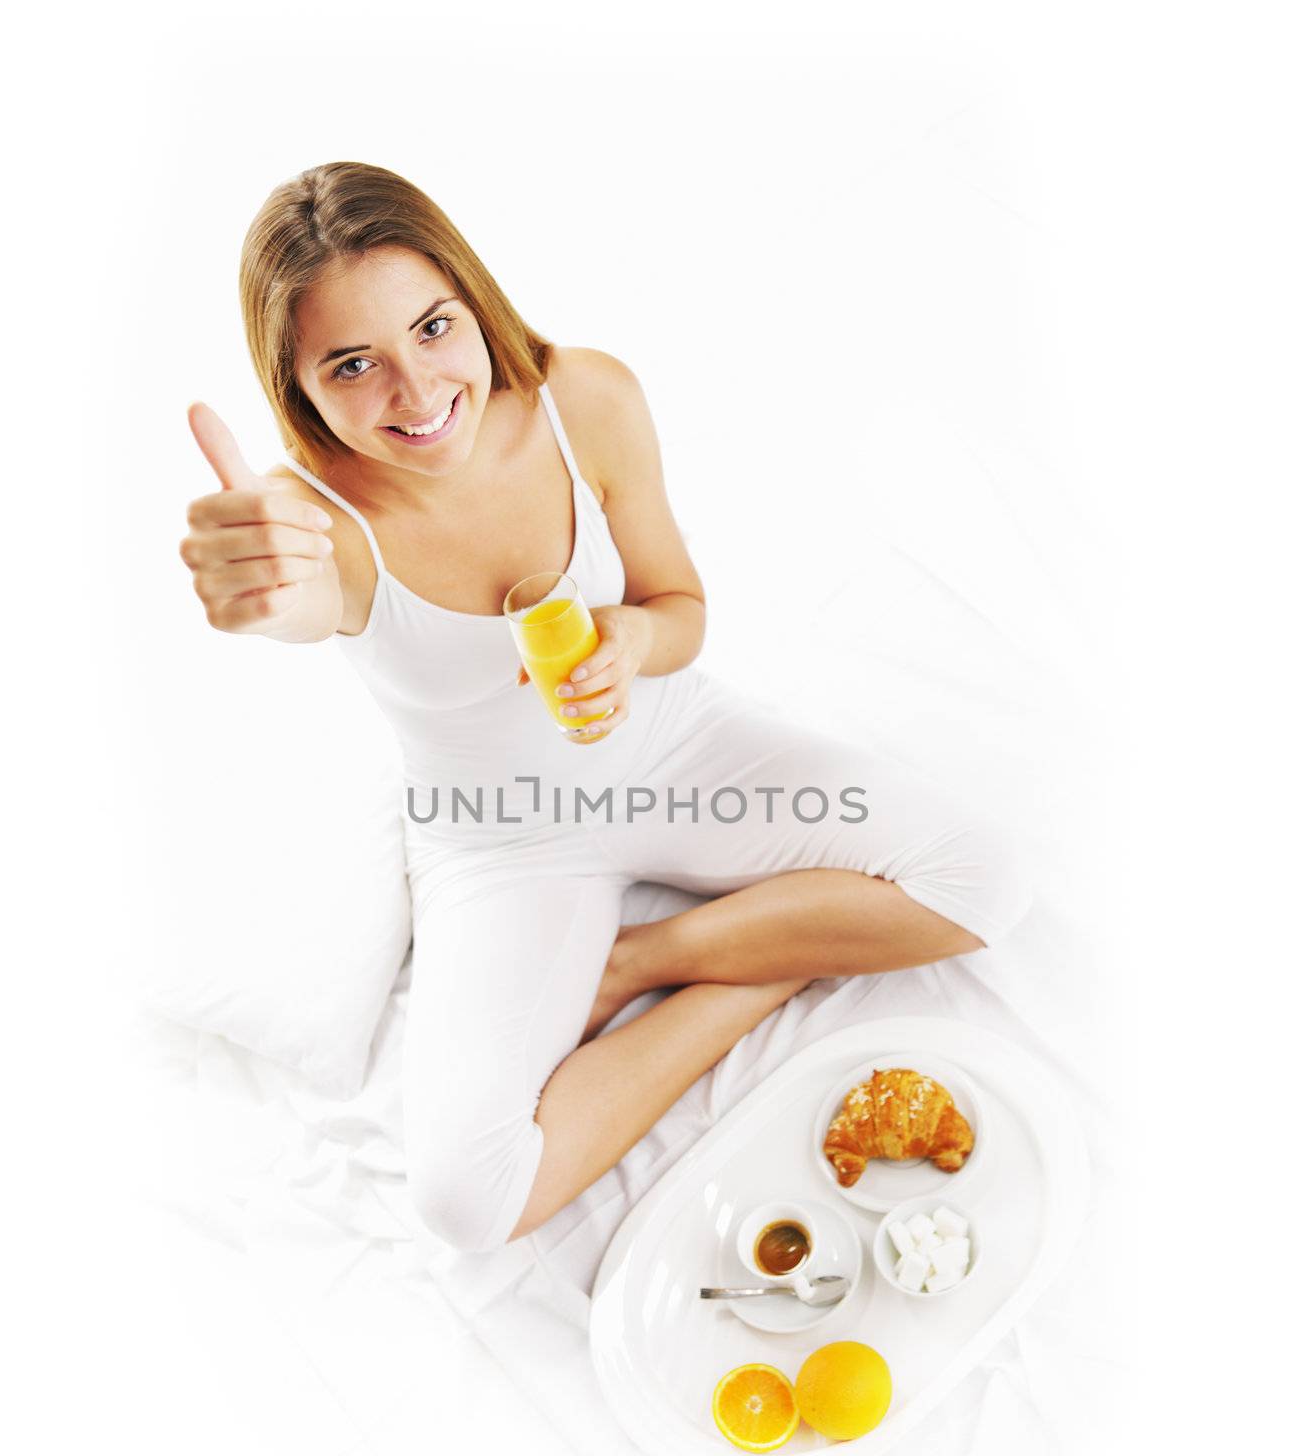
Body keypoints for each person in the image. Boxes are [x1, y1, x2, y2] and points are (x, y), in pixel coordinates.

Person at [181, 161, 1032, 1254]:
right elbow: (287, 596)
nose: (418, 390)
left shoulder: (585, 400)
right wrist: (252, 589)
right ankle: (772, 960)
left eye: (435, 328)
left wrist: (632, 639)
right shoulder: (317, 521)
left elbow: (679, 607)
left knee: (989, 878)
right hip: (505, 841)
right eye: (354, 364)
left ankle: (644, 960)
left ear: (472, 299)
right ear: (297, 386)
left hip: (676, 747)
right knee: (464, 1201)